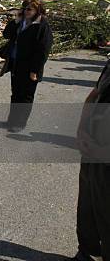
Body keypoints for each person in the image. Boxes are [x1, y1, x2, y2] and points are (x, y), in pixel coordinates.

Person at [69, 58, 110, 261]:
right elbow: (94, 94)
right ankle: (87, 252)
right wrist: (82, 128)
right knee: (88, 206)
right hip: (93, 153)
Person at [0, 0, 53, 132]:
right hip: (16, 63)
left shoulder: (42, 26)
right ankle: (12, 120)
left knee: (26, 96)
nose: (26, 11)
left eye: (29, 9)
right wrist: (16, 20)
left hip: (30, 67)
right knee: (15, 93)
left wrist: (35, 70)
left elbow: (43, 51)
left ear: (37, 10)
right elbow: (6, 34)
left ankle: (20, 122)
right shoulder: (21, 22)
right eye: (24, 8)